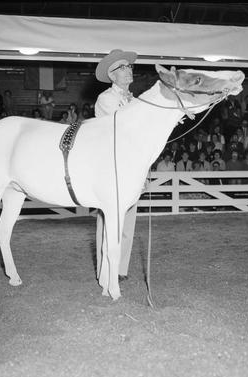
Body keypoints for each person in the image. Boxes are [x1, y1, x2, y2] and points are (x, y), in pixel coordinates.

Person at [94, 48, 138, 282]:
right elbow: (122, 127)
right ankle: (105, 267)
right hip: (112, 166)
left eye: (129, 66)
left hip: (132, 167)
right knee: (109, 220)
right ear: (112, 75)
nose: (128, 70)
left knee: (128, 221)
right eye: (122, 67)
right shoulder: (106, 99)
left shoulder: (136, 100)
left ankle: (120, 269)